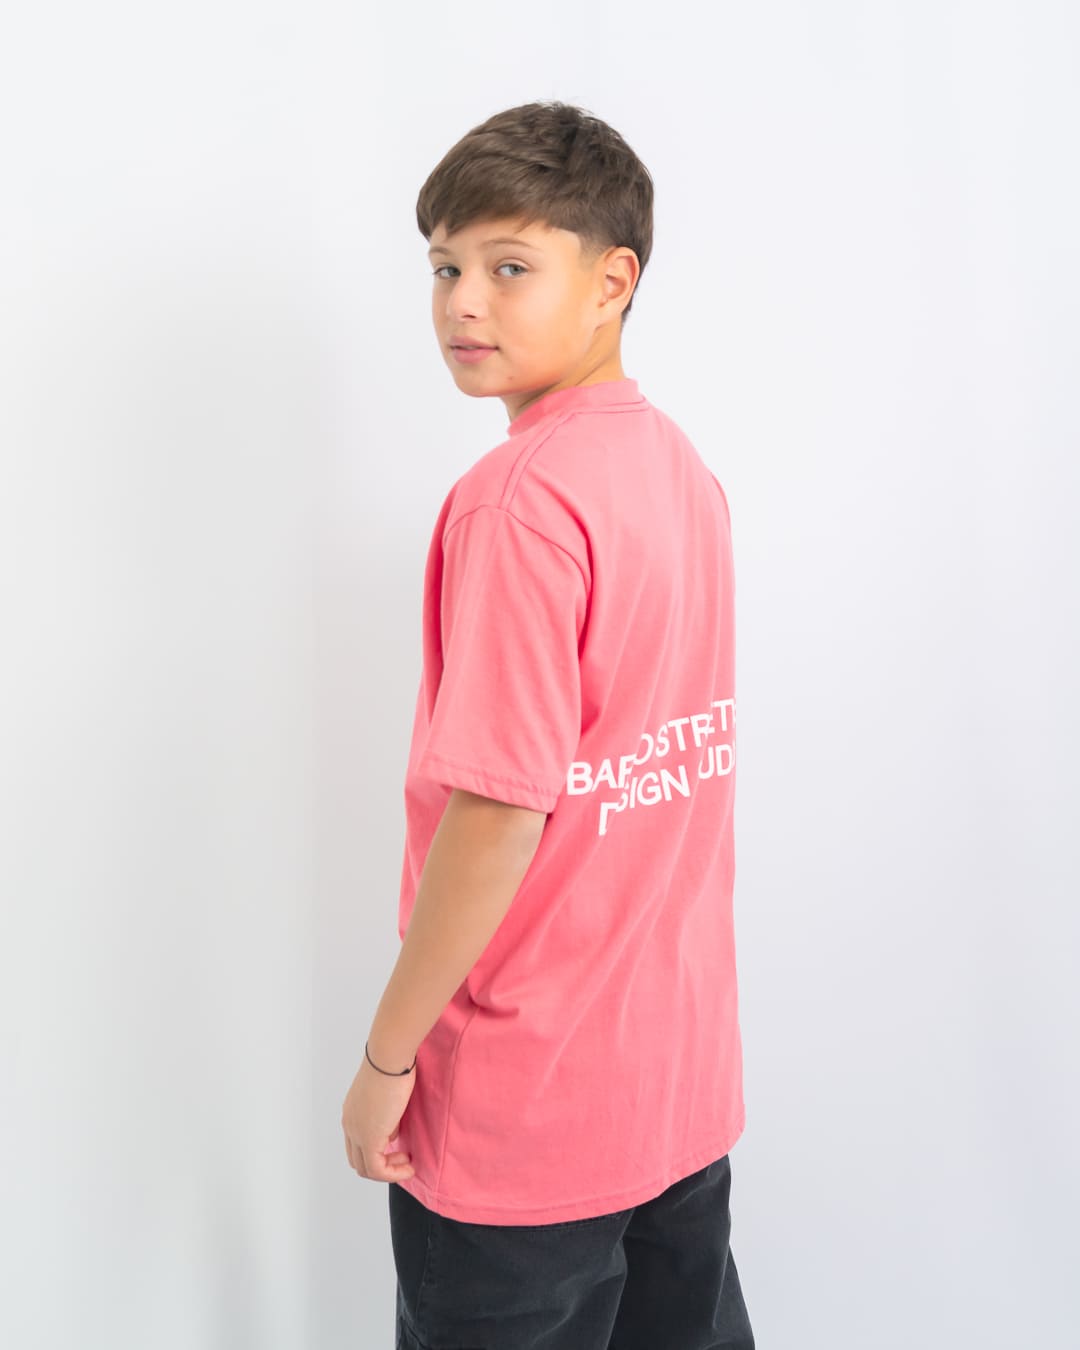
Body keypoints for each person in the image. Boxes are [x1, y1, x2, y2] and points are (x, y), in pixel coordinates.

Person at [340, 98, 755, 1350]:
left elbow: (497, 814)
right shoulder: (680, 470)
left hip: (524, 1114)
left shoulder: (518, 502)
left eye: (510, 267)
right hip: (675, 1085)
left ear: (613, 282)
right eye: (444, 268)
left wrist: (388, 1060)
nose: (463, 303)